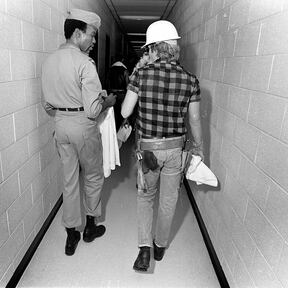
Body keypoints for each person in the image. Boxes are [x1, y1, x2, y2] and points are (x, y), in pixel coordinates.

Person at [121, 20, 204, 272]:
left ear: (154, 48)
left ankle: (143, 250)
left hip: (148, 151)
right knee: (169, 200)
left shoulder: (141, 75)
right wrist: (199, 148)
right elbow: (195, 119)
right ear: (175, 47)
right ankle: (160, 246)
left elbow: (125, 110)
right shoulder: (190, 80)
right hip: (175, 150)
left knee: (146, 197)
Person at [41, 8, 116, 256]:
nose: (94, 42)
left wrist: (65, 109)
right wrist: (108, 100)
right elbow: (93, 110)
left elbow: (47, 105)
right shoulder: (85, 63)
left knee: (69, 179)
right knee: (93, 175)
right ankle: (91, 227)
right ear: (77, 33)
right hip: (83, 127)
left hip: (60, 126)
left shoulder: (49, 60)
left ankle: (71, 234)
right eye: (91, 35)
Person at [107, 55, 129, 130]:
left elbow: (107, 82)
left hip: (112, 93)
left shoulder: (110, 69)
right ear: (122, 60)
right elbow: (127, 84)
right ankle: (120, 129)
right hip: (122, 94)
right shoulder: (125, 70)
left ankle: (113, 129)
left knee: (113, 112)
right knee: (121, 112)